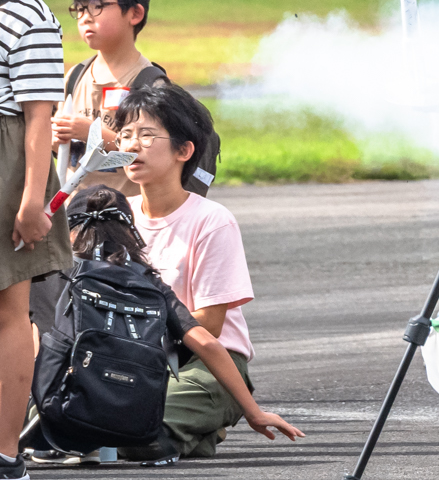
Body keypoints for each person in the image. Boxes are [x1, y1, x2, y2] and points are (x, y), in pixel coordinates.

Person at [31, 185, 301, 464]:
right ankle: (151, 437)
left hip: (67, 399)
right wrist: (254, 412)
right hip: (133, 390)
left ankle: (71, 442)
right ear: (129, 231)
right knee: (143, 433)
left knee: (40, 419)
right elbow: (206, 342)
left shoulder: (47, 275)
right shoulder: (145, 279)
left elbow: (31, 343)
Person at [112, 79, 268, 461]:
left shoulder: (212, 221)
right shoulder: (115, 215)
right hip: (135, 358)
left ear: (184, 149)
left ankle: (205, 424)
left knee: (136, 432)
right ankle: (194, 431)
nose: (132, 146)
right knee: (48, 421)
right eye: (126, 134)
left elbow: (209, 326)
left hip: (208, 362)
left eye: (147, 134)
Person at [0, 0, 69, 480]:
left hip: (7, 160)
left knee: (10, 313)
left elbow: (39, 118)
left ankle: (6, 458)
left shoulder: (30, 15)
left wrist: (30, 199)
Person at [51, 0, 169, 195]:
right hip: (72, 214)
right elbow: (62, 151)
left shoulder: (150, 84)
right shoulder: (75, 76)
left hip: (124, 218)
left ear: (134, 14)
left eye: (96, 6)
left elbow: (154, 156)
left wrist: (91, 133)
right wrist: (54, 140)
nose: (85, 16)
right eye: (80, 8)